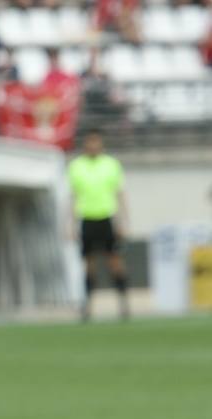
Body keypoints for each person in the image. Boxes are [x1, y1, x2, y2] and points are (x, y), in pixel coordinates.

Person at [68, 130, 130, 322]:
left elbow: (120, 194)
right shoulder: (76, 166)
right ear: (85, 145)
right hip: (87, 219)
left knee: (115, 262)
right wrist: (70, 224)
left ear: (101, 145)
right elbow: (72, 197)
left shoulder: (111, 165)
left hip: (107, 218)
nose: (93, 146)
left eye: (96, 143)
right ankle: (87, 307)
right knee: (89, 265)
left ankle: (123, 303)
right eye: (89, 143)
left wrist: (123, 221)